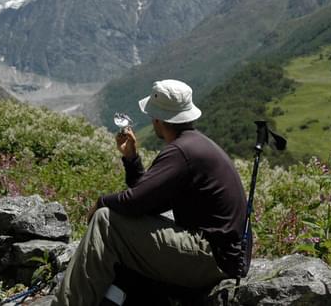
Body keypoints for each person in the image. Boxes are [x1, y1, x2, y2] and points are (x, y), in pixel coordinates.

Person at [53, 79, 247, 306]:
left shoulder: (180, 152)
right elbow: (148, 201)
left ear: (158, 119)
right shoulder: (194, 146)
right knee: (117, 219)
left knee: (106, 220)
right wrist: (131, 159)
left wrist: (101, 202)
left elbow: (134, 202)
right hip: (223, 256)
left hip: (210, 258)